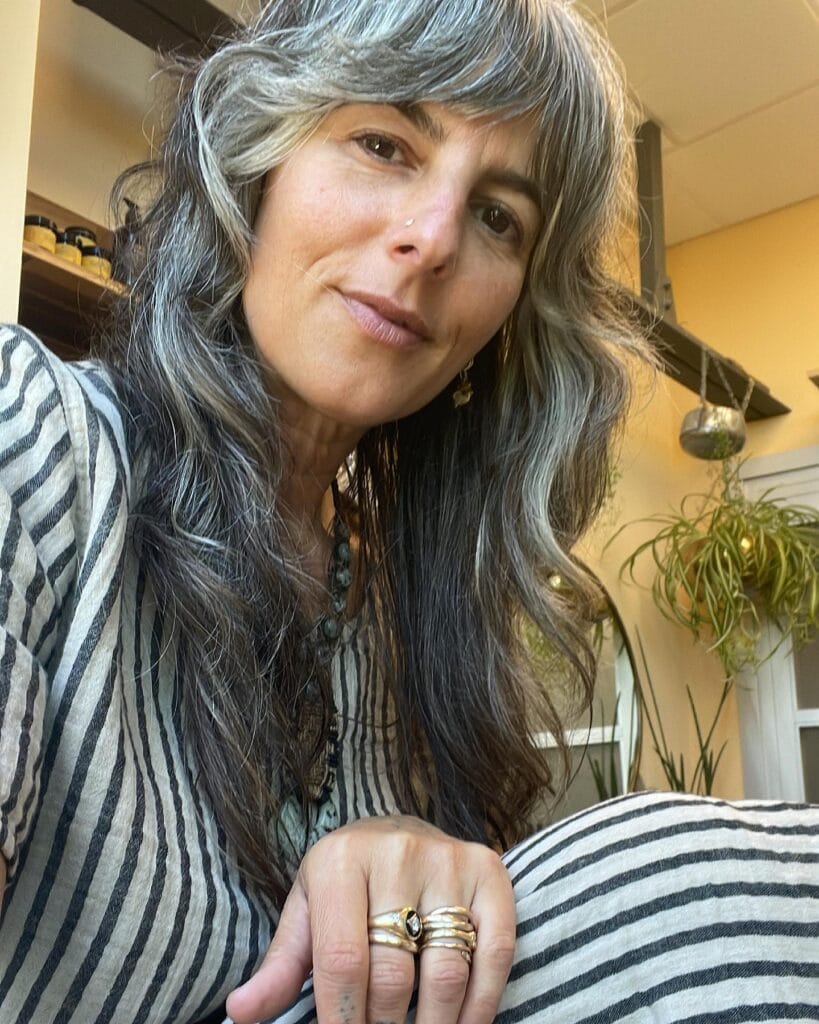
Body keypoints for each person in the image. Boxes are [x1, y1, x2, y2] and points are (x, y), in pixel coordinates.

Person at [1, 1, 817, 1022]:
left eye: (497, 217)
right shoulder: (30, 434)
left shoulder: (411, 635)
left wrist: (431, 873)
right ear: (258, 160)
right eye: (384, 143)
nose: (432, 239)